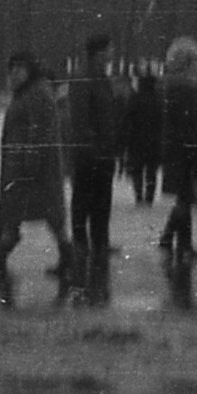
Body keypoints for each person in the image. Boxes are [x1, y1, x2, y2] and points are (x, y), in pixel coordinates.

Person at [0, 53, 77, 277]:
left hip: (32, 168)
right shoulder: (27, 92)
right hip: (25, 166)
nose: (15, 74)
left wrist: (30, 164)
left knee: (20, 215)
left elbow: (39, 132)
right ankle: (67, 257)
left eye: (20, 69)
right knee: (44, 215)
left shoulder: (36, 93)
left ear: (30, 70)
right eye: (12, 69)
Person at [156, 37, 197, 265]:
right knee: (185, 198)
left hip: (176, 151)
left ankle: (178, 240)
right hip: (185, 152)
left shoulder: (173, 87)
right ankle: (174, 239)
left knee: (184, 198)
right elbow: (192, 127)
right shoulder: (188, 89)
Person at [64, 33, 119, 268]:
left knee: (100, 201)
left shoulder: (99, 77)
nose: (112, 53)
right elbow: (80, 118)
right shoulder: (85, 78)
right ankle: (82, 243)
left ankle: (99, 242)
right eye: (109, 49)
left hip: (102, 151)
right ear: (99, 52)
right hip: (90, 153)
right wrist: (92, 145)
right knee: (84, 200)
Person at [123, 71, 162, 204]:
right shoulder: (158, 99)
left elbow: (127, 119)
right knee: (151, 171)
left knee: (137, 170)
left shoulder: (135, 98)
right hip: (154, 141)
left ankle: (139, 195)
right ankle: (149, 196)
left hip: (136, 140)